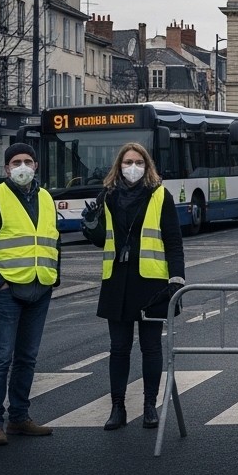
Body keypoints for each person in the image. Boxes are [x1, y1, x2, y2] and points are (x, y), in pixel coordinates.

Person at [82, 143, 186, 431]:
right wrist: (90, 226)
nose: (133, 167)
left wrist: (177, 278)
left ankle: (150, 406)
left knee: (151, 348)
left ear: (147, 165)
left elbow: (174, 242)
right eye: (128, 162)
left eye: (138, 162)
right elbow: (101, 238)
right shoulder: (108, 196)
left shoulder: (159, 195)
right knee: (119, 348)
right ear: (119, 165)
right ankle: (118, 408)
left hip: (151, 283)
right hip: (117, 282)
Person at [0, 143, 58, 446]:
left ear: (36, 166)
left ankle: (19, 417)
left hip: (39, 288)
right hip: (6, 291)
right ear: (6, 169)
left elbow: (53, 240)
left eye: (28, 161)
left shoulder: (45, 197)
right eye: (16, 162)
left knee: (27, 358)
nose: (22, 167)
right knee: (1, 358)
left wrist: (54, 278)